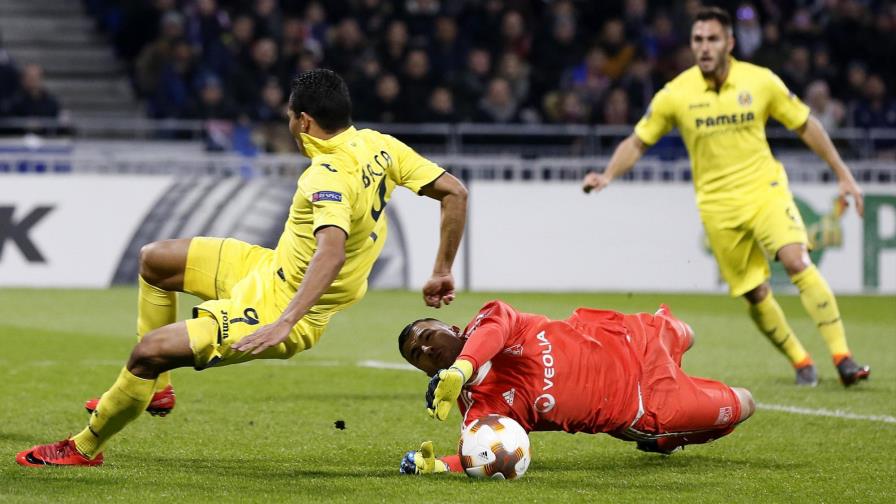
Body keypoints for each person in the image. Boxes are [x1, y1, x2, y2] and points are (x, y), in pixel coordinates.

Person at [16, 69, 468, 467]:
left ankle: (85, 447)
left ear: (304, 121)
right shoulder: (379, 145)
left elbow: (330, 251)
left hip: (281, 306)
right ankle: (158, 390)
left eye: (290, 117)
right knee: (154, 260)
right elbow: (455, 192)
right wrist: (442, 267)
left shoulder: (326, 175)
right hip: (268, 267)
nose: (289, 125)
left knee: (147, 353)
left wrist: (286, 320)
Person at [581, 7, 869, 387]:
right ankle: (801, 361)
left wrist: (842, 173)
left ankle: (843, 357)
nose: (704, 47)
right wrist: (608, 174)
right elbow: (638, 141)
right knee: (754, 292)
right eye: (698, 39)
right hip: (717, 205)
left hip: (765, 190)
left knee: (796, 259)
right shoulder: (676, 94)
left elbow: (805, 124)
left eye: (712, 39)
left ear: (730, 43)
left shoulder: (761, 81)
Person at [397, 299, 755, 474]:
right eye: (418, 356)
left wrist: (460, 370)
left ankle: (663, 431)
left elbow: (493, 333)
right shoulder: (483, 411)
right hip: (644, 403)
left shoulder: (493, 319)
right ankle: (664, 440)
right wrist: (440, 466)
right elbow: (485, 455)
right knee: (743, 403)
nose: (427, 350)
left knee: (687, 332)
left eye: (429, 336)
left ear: (455, 328)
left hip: (628, 336)